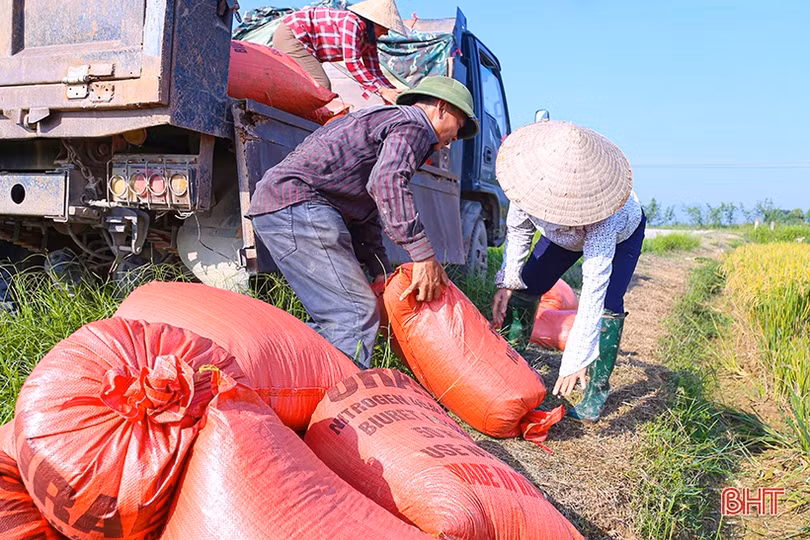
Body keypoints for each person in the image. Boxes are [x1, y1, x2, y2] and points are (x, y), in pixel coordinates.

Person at [247, 76, 479, 369]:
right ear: (441, 108)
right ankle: (341, 406)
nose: (455, 138)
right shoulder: (416, 125)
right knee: (353, 314)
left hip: (286, 206)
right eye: (459, 126)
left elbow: (367, 204)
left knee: (338, 314)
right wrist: (423, 255)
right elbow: (387, 183)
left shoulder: (390, 120)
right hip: (298, 206)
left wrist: (379, 269)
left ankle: (293, 379)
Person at [491, 120, 646, 422]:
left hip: (622, 237)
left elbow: (592, 291)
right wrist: (507, 279)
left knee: (608, 305)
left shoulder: (606, 216)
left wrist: (576, 358)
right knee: (528, 284)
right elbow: (519, 230)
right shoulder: (530, 186)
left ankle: (596, 391)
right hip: (561, 237)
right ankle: (512, 362)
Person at [273, 0, 407, 104]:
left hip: (307, 45)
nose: (386, 32)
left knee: (317, 85)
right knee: (321, 86)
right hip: (292, 34)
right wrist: (382, 90)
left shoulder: (369, 40)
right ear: (373, 22)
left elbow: (375, 72)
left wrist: (395, 94)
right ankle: (296, 117)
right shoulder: (352, 22)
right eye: (385, 27)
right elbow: (352, 63)